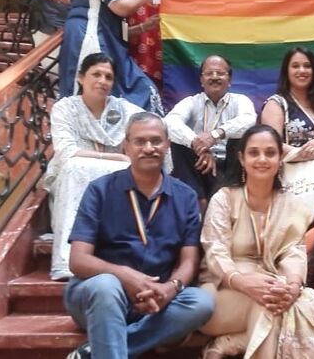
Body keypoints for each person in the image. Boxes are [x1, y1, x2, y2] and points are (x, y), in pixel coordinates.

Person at [63, 113, 214, 359]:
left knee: (201, 303)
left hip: (155, 298)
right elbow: (78, 261)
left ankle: (94, 351)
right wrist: (124, 276)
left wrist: (170, 288)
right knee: (106, 285)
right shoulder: (99, 190)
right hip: (99, 299)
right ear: (126, 146)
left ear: (167, 145)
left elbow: (189, 260)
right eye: (139, 141)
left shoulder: (185, 196)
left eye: (156, 141)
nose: (148, 148)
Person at [199, 124, 314, 359]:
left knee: (298, 303)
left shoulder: (290, 203)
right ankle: (230, 341)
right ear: (241, 158)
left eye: (270, 153)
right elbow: (215, 251)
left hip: (272, 285)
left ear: (280, 159)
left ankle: (230, 344)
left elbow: (293, 252)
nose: (262, 159)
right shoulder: (224, 199)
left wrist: (293, 285)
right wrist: (243, 282)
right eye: (254, 152)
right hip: (222, 291)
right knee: (268, 302)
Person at [44, 53, 143, 281]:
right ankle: (68, 260)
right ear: (80, 78)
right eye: (96, 74)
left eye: (108, 76)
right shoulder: (65, 108)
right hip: (72, 177)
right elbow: (67, 151)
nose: (103, 81)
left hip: (112, 177)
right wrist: (116, 159)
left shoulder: (123, 109)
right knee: (76, 167)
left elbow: (150, 123)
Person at [165, 55, 256, 206]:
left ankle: (228, 193)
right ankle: (198, 199)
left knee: (240, 138)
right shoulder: (191, 102)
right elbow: (169, 122)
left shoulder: (241, 101)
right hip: (200, 164)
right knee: (177, 141)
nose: (214, 77)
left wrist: (215, 135)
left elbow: (249, 120)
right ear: (201, 80)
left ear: (230, 80)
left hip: (231, 164)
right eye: (209, 73)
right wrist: (198, 145)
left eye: (220, 73)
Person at [261, 47, 314, 204]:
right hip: (292, 176)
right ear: (287, 71)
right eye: (295, 66)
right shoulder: (276, 104)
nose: (302, 70)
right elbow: (273, 147)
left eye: (307, 66)